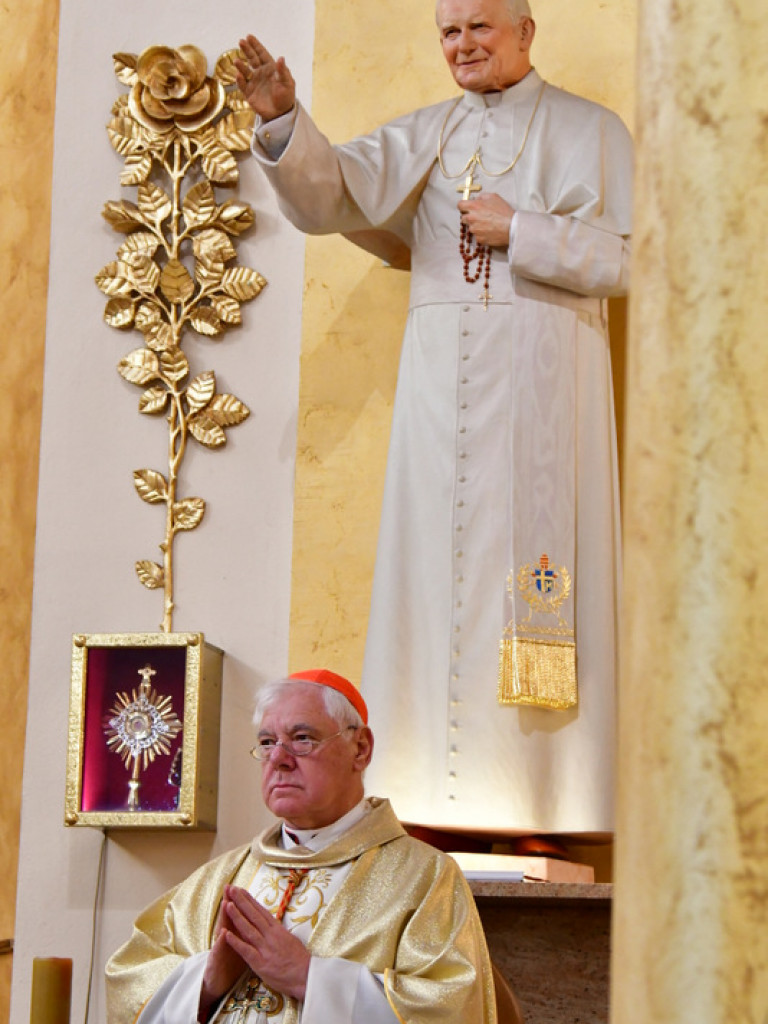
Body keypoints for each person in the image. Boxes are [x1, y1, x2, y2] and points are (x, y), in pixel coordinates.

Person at [235, 0, 633, 834]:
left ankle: (545, 801)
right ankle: (423, 804)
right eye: (449, 32)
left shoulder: (593, 131)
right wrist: (281, 119)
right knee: (429, 571)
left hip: (545, 389)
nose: (463, 46)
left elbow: (636, 259)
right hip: (437, 399)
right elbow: (330, 194)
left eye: (480, 27)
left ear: (525, 32)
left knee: (530, 575)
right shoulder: (425, 132)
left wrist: (523, 229)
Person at [105, 670, 497, 1024]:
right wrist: (204, 983)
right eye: (267, 742)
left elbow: (453, 1008)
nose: (278, 758)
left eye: (302, 739)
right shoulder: (217, 880)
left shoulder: (425, 878)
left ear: (360, 748)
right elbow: (127, 981)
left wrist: (310, 978)